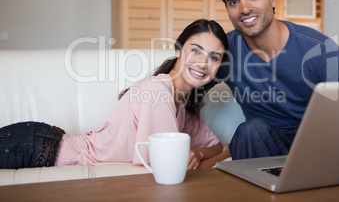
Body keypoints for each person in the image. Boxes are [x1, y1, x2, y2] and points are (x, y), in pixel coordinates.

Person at [0, 19, 231, 170]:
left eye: (213, 57)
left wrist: (199, 152)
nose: (203, 63)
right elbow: (169, 167)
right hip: (37, 148)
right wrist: (219, 157)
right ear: (178, 51)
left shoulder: (186, 105)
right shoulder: (157, 91)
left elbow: (215, 146)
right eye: (196, 51)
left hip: (43, 143)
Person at [214, 0, 339, 160]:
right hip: (265, 147)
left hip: (317, 147)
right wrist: (203, 149)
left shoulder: (321, 49)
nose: (244, 9)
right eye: (233, 2)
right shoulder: (224, 50)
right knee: (250, 131)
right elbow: (184, 89)